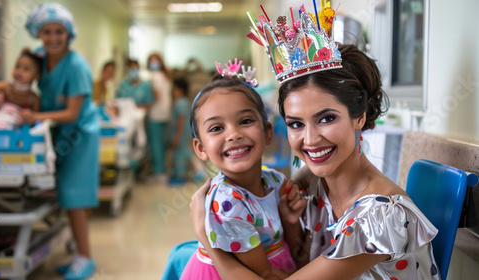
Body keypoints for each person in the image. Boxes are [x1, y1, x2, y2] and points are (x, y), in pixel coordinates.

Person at [188, 7, 440, 279]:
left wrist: (209, 241)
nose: (310, 140)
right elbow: (299, 262)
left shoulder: (381, 217)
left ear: (360, 116)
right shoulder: (318, 182)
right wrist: (289, 221)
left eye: (326, 118)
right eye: (296, 124)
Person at [180, 59, 297, 280]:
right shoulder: (226, 202)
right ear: (201, 148)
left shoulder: (275, 181)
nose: (233, 134)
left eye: (245, 121)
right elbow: (265, 274)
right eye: (216, 128)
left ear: (267, 132)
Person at [23, 3, 99, 279]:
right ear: (38, 33)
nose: (53, 37)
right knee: (66, 198)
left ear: (69, 34)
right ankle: (79, 252)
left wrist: (35, 114)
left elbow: (72, 112)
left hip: (80, 136)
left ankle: (85, 258)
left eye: (59, 32)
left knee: (74, 197)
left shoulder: (76, 65)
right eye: (47, 32)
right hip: (57, 135)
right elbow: (22, 82)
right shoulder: (40, 59)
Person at [0, 51, 41, 129]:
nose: (19, 71)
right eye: (17, 66)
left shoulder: (34, 98)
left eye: (26, 69)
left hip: (12, 134)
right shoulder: (5, 87)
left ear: (37, 76)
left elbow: (34, 121)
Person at [146, 53, 172, 182]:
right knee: (161, 144)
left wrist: (144, 105)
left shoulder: (155, 76)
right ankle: (162, 170)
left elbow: (156, 95)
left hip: (156, 114)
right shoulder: (165, 76)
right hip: (165, 114)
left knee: (156, 144)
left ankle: (158, 172)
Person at [168, 78, 192, 185]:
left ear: (180, 90)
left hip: (180, 135)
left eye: (175, 89)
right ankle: (180, 174)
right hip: (182, 134)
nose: (173, 91)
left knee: (179, 155)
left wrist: (177, 137)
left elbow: (181, 121)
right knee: (181, 154)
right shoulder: (183, 102)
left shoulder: (180, 103)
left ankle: (180, 176)